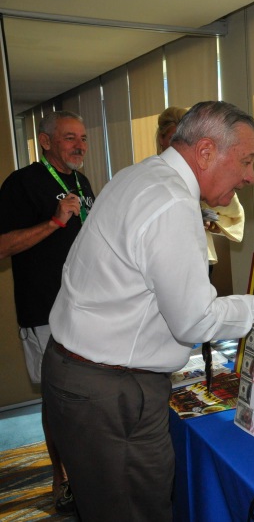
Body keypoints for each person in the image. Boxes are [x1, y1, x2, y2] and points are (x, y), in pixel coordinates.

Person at [41, 101, 254, 522]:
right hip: (111, 391)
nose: (250, 177)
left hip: (78, 372)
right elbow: (195, 320)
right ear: (205, 151)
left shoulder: (136, 176)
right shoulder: (171, 203)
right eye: (246, 161)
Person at [0, 110, 95, 515]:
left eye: (83, 138)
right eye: (70, 137)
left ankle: (90, 471)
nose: (79, 145)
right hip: (44, 312)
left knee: (89, 395)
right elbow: (3, 245)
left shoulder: (82, 183)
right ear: (45, 141)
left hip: (86, 310)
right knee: (57, 400)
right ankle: (61, 477)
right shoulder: (22, 183)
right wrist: (55, 222)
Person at [157, 106, 245, 275]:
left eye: (183, 139)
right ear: (161, 139)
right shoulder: (151, 175)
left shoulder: (204, 171)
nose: (178, 145)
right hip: (167, 258)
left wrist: (211, 222)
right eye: (172, 138)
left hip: (199, 256)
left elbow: (234, 213)